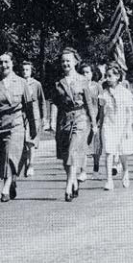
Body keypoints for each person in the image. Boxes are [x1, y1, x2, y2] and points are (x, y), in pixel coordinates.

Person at [0, 52, 39, 202]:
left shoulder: (21, 83)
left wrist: (33, 128)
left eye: (7, 62)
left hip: (16, 124)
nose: (4, 65)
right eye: (1, 63)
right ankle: (12, 180)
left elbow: (29, 107)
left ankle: (6, 187)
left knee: (11, 155)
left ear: (12, 63)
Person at [50, 48, 97, 201]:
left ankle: (69, 184)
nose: (66, 63)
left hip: (80, 118)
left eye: (68, 60)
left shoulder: (83, 80)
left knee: (72, 151)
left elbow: (89, 102)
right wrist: (51, 120)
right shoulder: (58, 83)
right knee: (65, 157)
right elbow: (54, 103)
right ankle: (74, 180)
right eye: (63, 61)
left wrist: (94, 123)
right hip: (64, 119)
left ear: (75, 62)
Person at [98, 62, 133, 190]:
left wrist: (128, 128)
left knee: (122, 152)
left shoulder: (125, 93)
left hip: (121, 125)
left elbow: (129, 112)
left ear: (117, 76)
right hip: (108, 125)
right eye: (106, 75)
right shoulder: (103, 93)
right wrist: (99, 127)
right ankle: (109, 180)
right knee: (109, 152)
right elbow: (101, 113)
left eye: (110, 75)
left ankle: (125, 171)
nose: (108, 78)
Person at [21, 60, 45, 177]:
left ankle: (31, 164)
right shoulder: (19, 83)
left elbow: (42, 101)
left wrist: (44, 117)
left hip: (34, 115)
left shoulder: (36, 84)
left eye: (27, 70)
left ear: (31, 71)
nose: (25, 72)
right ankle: (25, 162)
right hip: (22, 114)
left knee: (30, 141)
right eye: (23, 70)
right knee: (22, 141)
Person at [79, 62, 102, 182]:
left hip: (96, 118)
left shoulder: (97, 86)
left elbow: (101, 104)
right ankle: (83, 171)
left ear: (92, 73)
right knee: (83, 145)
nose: (85, 75)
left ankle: (96, 169)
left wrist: (100, 119)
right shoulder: (78, 86)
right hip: (83, 119)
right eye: (83, 72)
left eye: (87, 72)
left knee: (96, 146)